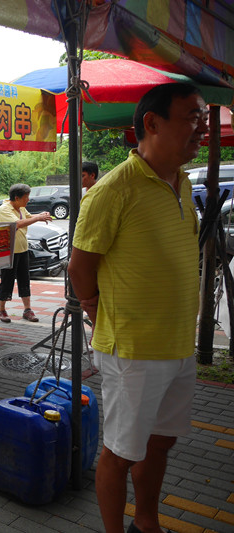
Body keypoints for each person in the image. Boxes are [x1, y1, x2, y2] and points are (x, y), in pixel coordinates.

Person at [67, 82, 207, 533]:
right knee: (121, 453)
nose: (202, 129)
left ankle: (146, 523)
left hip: (178, 345)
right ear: (152, 123)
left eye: (204, 119)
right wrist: (95, 311)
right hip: (133, 351)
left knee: (161, 442)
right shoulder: (113, 189)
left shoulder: (183, 183)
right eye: (193, 118)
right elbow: (79, 267)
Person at [0, 183, 52, 323]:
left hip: (22, 249)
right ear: (17, 198)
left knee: (24, 279)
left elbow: (28, 217)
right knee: (7, 280)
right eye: (26, 197)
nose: (28, 200)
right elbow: (18, 224)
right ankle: (1, 310)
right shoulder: (4, 209)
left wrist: (41, 215)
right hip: (9, 251)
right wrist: (38, 218)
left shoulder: (20, 207)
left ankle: (27, 309)